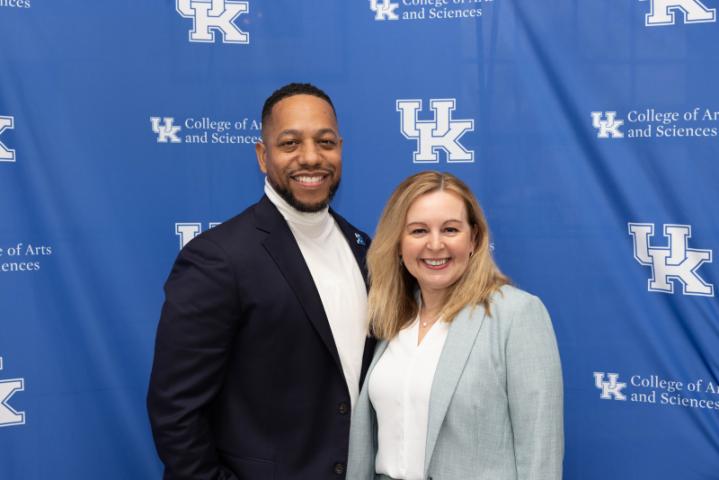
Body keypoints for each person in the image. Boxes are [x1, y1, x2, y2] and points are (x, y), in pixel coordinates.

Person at [147, 83, 376, 480]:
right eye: (290, 143)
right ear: (262, 155)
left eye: (325, 142)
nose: (311, 157)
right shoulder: (217, 258)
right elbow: (176, 413)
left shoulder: (364, 248)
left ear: (340, 148)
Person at [347, 171, 564, 480]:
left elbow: (540, 455)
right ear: (397, 243)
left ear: (473, 238)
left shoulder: (517, 315)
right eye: (419, 231)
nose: (435, 245)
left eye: (450, 229)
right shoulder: (392, 318)